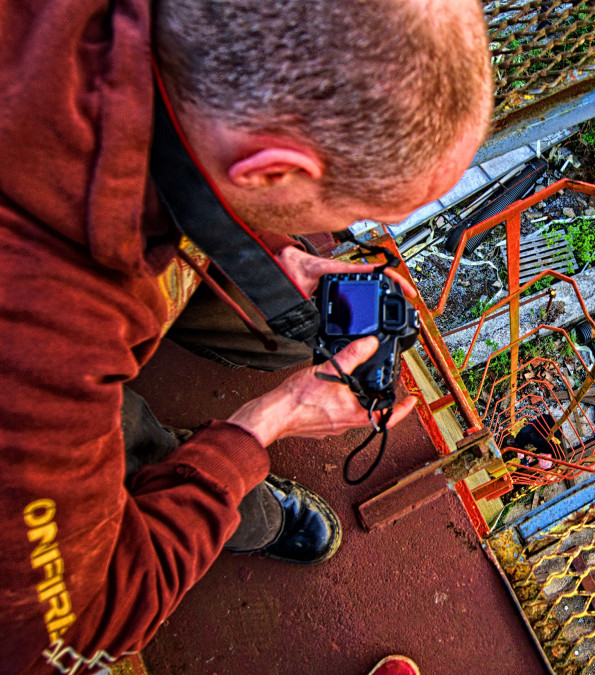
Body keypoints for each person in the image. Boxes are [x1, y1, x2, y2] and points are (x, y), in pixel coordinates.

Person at [0, 0, 492, 672]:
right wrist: (265, 423)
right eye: (354, 213)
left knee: (286, 333)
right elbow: (73, 633)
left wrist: (275, 254)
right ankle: (205, 489)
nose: (349, 228)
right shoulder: (46, 335)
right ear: (266, 171)